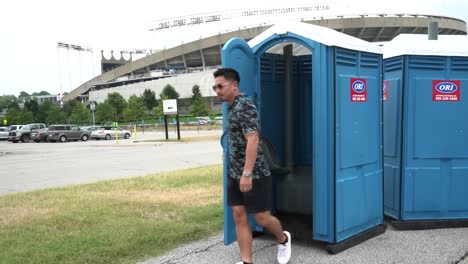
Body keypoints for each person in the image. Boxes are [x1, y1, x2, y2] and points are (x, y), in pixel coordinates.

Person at [213, 68, 292, 264]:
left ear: (234, 85)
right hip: (234, 172)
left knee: (261, 218)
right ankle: (246, 261)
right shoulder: (231, 107)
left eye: (220, 86)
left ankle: (283, 238)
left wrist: (246, 173)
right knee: (239, 215)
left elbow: (253, 140)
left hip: (254, 174)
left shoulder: (245, 107)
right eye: (215, 87)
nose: (217, 90)